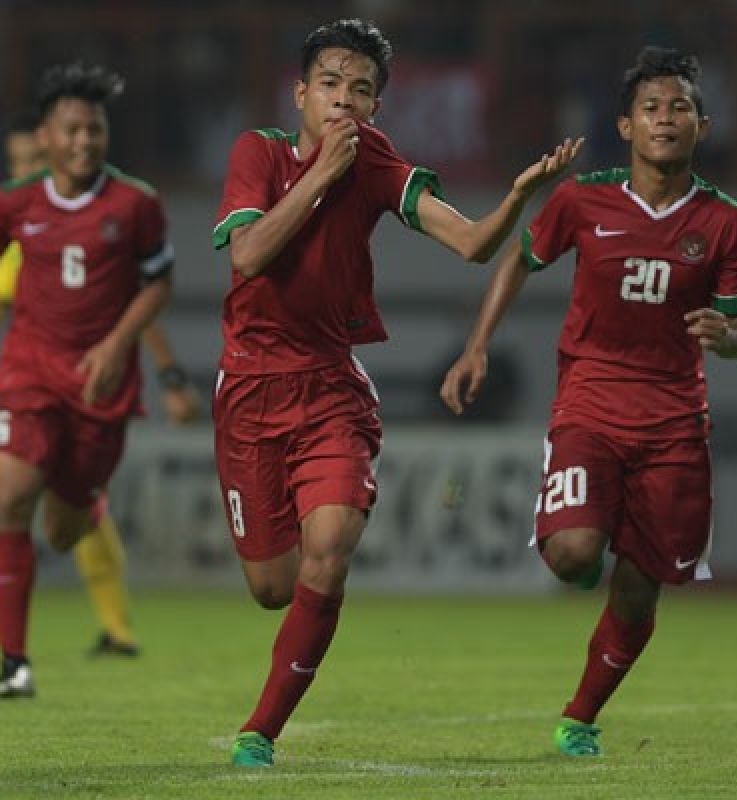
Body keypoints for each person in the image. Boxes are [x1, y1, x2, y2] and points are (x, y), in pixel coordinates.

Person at [211, 18, 581, 767]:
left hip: (329, 392)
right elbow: (248, 255)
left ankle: (260, 732)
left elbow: (473, 244)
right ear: (300, 93)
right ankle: (270, 699)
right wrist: (318, 177)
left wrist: (517, 198)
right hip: (249, 390)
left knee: (331, 546)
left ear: (377, 107)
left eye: (361, 90)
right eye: (330, 85)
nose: (344, 101)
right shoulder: (260, 153)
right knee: (272, 587)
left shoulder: (376, 162)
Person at [440, 46, 737, 757]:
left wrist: (728, 333)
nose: (665, 118)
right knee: (571, 554)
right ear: (626, 126)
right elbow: (520, 259)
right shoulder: (583, 200)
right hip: (589, 402)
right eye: (651, 107)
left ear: (702, 126)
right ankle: (586, 544)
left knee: (642, 589)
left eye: (680, 106)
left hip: (677, 421)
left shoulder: (725, 222)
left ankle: (579, 717)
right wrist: (477, 345)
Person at [0, 110, 199, 660]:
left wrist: (170, 374)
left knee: (62, 505)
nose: (20, 173)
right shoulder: (24, 230)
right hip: (43, 388)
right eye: (14, 162)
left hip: (94, 386)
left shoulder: (95, 222)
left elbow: (143, 301)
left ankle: (93, 629)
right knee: (26, 499)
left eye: (31, 162)